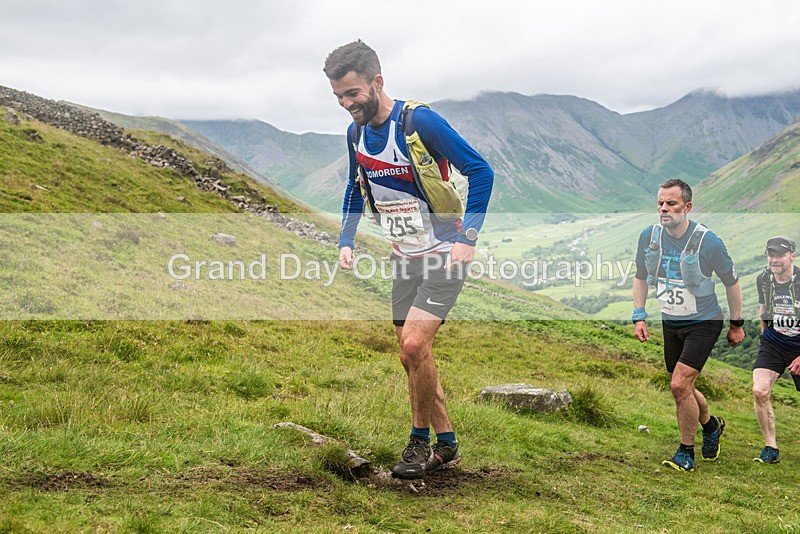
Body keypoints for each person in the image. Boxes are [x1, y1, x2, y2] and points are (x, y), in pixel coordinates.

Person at [323, 40, 494, 479]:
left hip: (444, 252)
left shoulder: (419, 121)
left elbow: (481, 171)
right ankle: (447, 443)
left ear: (377, 82)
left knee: (415, 345)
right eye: (339, 96)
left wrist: (468, 237)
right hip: (405, 255)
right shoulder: (355, 133)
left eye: (353, 94)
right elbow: (353, 186)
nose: (346, 104)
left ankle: (419, 443)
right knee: (410, 355)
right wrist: (347, 239)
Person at [632, 178, 744, 472]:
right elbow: (641, 276)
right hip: (672, 322)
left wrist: (736, 324)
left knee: (679, 384)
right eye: (660, 203)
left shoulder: (708, 242)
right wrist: (639, 314)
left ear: (687, 207)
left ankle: (685, 453)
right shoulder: (650, 237)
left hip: (704, 322)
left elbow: (732, 283)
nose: (664, 209)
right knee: (685, 387)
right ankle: (710, 426)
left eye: (671, 203)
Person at [752, 236, 800, 464]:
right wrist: (766, 338)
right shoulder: (763, 279)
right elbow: (764, 310)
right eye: (771, 254)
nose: (774, 259)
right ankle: (770, 448)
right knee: (759, 391)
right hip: (774, 342)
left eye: (780, 255)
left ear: (792, 255)